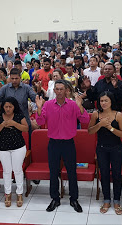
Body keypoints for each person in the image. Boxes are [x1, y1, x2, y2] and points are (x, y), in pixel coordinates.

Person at [35, 79, 89, 213]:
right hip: (53, 143)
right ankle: (55, 199)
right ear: (54, 91)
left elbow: (85, 120)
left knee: (72, 172)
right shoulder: (47, 105)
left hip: (68, 143)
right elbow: (40, 121)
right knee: (53, 172)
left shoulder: (73, 104)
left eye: (61, 89)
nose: (59, 92)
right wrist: (39, 108)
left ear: (66, 90)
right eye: (57, 89)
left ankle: (74, 199)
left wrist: (80, 106)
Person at [87, 92, 122, 215]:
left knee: (116, 174)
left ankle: (116, 200)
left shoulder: (118, 115)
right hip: (101, 148)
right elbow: (89, 131)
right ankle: (106, 199)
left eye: (106, 100)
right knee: (103, 174)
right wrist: (100, 124)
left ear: (111, 101)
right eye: (101, 101)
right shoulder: (96, 114)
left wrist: (110, 127)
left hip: (116, 148)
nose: (103, 103)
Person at [0, 97, 28, 208]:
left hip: (18, 147)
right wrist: (2, 124)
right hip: (2, 148)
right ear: (3, 107)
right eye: (6, 107)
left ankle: (19, 193)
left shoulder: (19, 116)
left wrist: (14, 124)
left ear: (14, 107)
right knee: (7, 171)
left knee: (17, 170)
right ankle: (7, 193)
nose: (8, 109)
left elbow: (26, 128)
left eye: (10, 107)